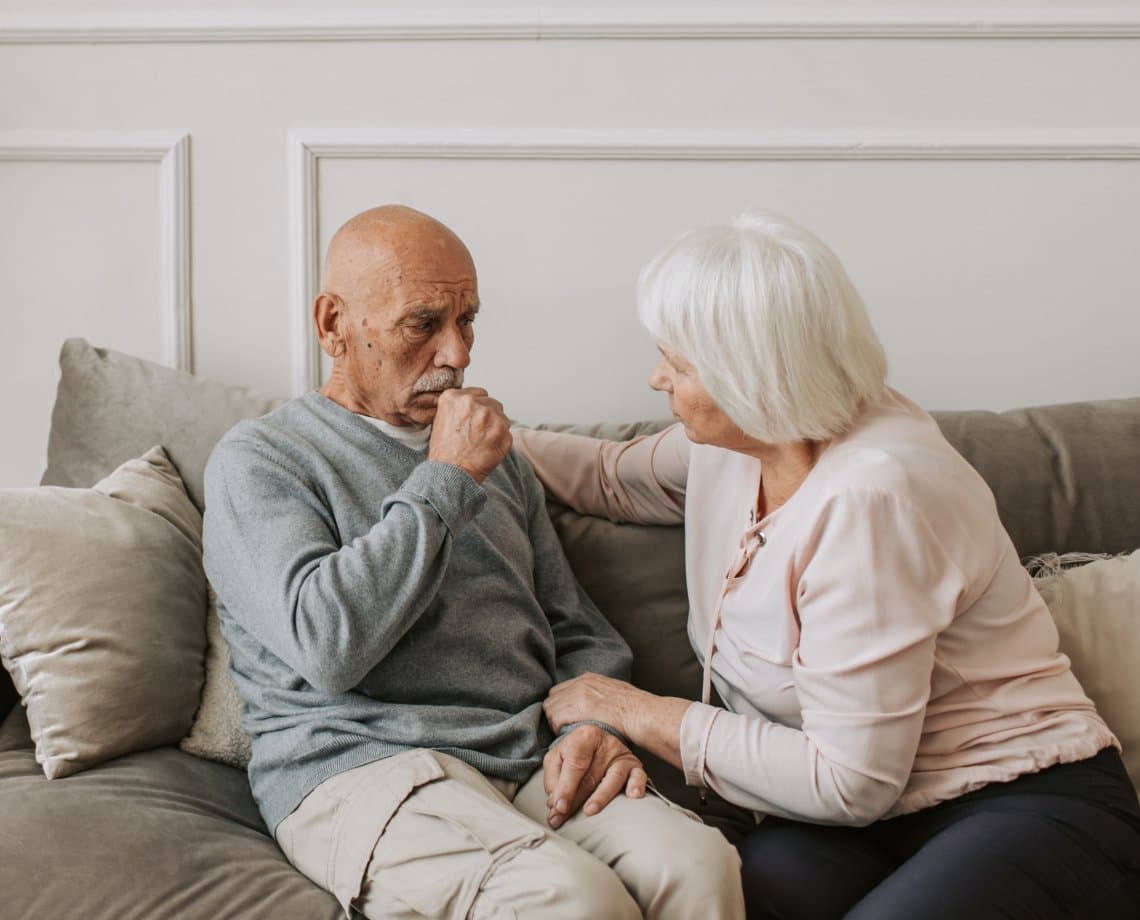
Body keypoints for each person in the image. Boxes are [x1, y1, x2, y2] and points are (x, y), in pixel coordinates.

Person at [513, 210, 1140, 919]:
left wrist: (629, 708)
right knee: (724, 901)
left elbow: (851, 782)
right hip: (852, 826)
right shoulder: (738, 445)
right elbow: (607, 477)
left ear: (750, 376)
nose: (656, 376)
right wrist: (459, 434)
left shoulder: (873, 495)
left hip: (1019, 801)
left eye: (679, 365)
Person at [201, 205, 743, 920]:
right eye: (423, 324)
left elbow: (575, 628)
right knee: (570, 900)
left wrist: (591, 728)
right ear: (333, 325)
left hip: (525, 754)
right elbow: (327, 646)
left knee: (699, 864)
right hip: (363, 769)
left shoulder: (497, 458)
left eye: (468, 321)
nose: (457, 353)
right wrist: (447, 477)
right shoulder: (263, 459)